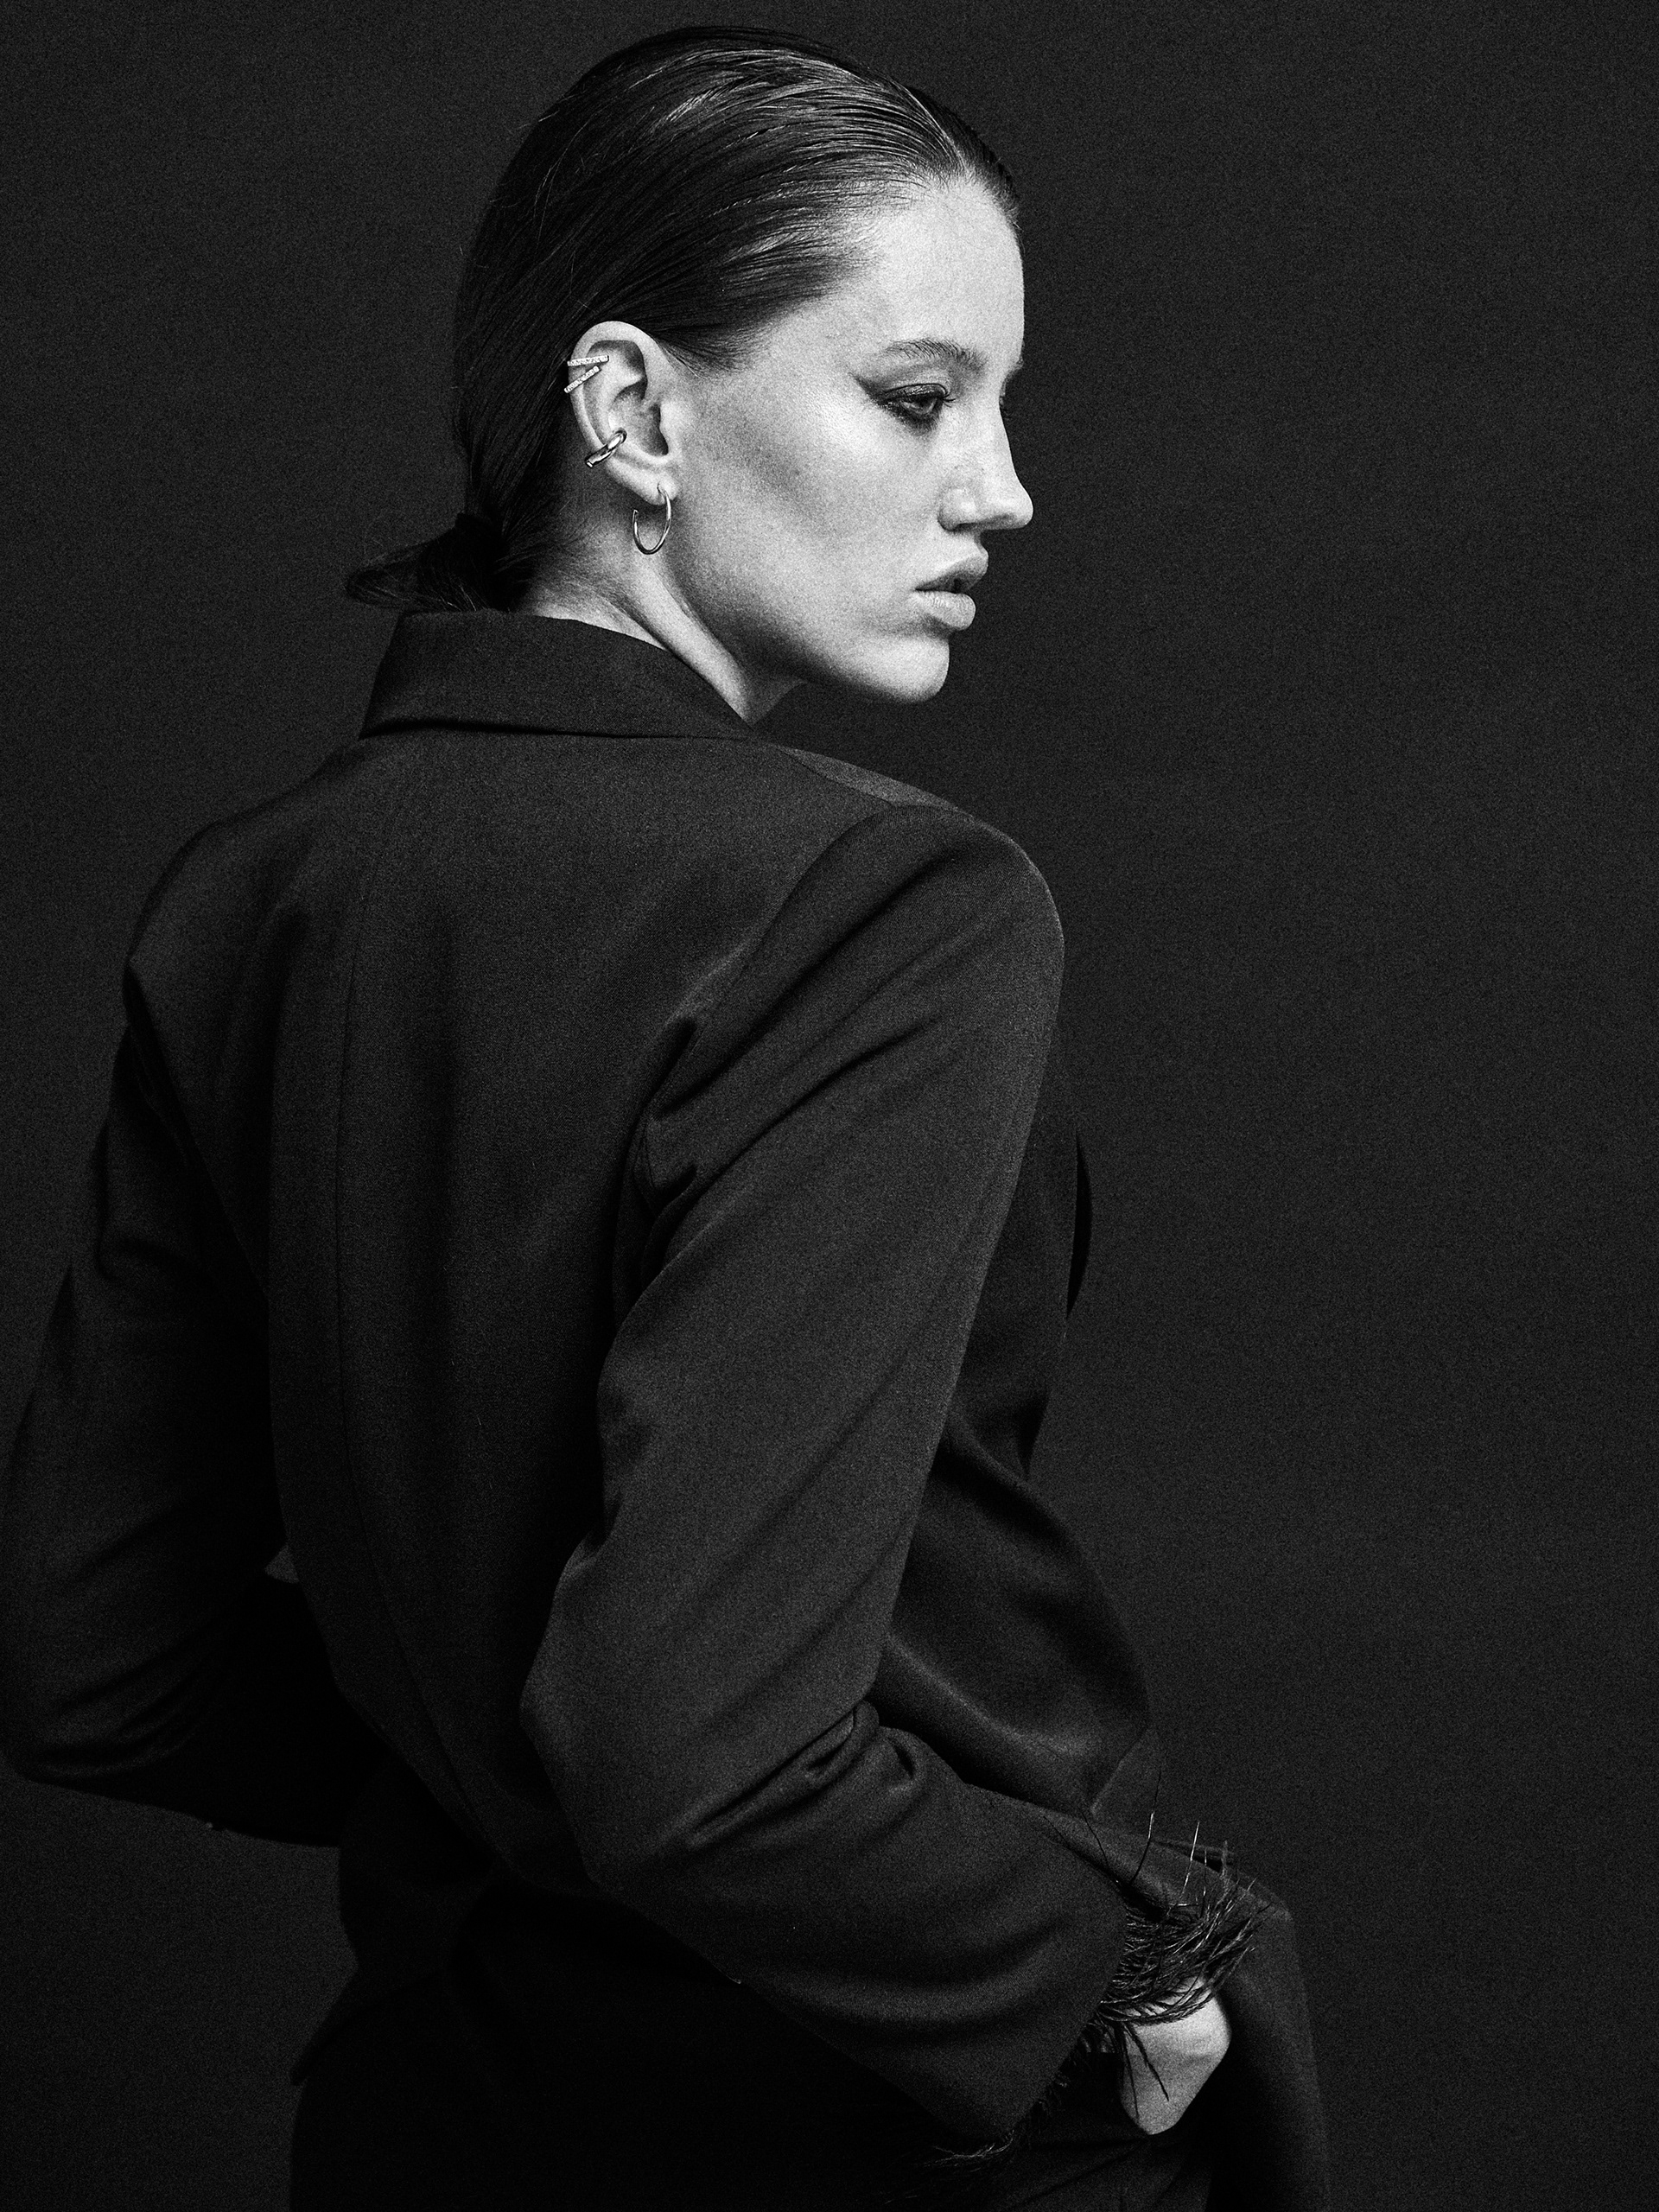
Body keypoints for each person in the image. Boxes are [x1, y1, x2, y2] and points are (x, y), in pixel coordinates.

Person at [0, 27, 1328, 2210]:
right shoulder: (887, 903)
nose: (1002, 488)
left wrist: (486, 1778)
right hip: (885, 2131)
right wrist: (1108, 1962)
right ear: (629, 410)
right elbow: (690, 1755)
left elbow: (97, 1658)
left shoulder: (249, 903)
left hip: (433, 2124)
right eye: (918, 395)